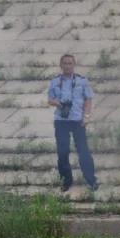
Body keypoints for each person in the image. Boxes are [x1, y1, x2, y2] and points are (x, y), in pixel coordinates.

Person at [48, 54, 98, 192]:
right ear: (61, 65)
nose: (67, 66)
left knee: (84, 152)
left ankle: (91, 180)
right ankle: (66, 181)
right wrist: (58, 103)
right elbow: (50, 99)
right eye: (65, 63)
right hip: (61, 121)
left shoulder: (82, 81)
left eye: (70, 63)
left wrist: (86, 116)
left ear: (74, 64)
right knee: (62, 152)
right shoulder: (55, 81)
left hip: (77, 120)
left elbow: (88, 99)